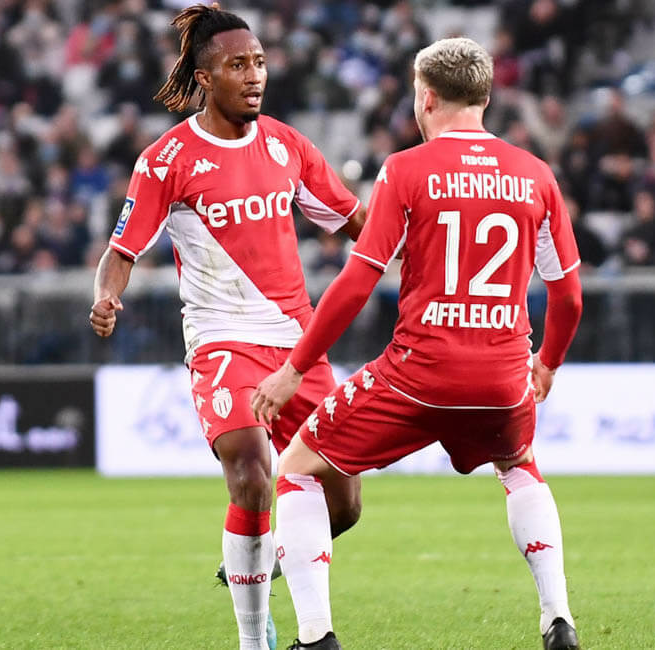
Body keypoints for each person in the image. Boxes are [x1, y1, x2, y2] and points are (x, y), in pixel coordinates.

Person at [251, 38, 583, 650]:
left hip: (417, 374)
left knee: (297, 466)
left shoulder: (406, 169)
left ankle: (316, 635)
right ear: (485, 97)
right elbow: (568, 297)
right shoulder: (536, 175)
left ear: (425, 98)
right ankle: (557, 617)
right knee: (519, 467)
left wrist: (295, 368)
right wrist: (548, 364)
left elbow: (358, 281)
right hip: (504, 375)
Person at [89, 5, 365, 649]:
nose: (254, 75)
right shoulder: (167, 160)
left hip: (297, 344)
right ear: (205, 78)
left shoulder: (287, 145)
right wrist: (105, 296)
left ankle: (257, 559)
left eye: (260, 62)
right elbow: (122, 250)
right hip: (222, 340)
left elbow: (357, 223)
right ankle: (253, 639)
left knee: (344, 504)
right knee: (252, 469)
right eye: (238, 65)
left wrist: (422, 248)